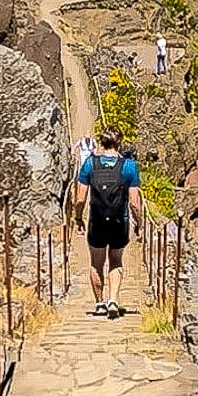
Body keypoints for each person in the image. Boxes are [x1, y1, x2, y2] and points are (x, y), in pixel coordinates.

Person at [75, 127, 142, 318]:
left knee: (96, 263)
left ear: (101, 142)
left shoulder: (89, 164)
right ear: (118, 142)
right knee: (116, 261)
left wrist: (78, 218)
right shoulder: (129, 166)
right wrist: (139, 224)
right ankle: (113, 299)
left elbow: (80, 199)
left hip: (96, 221)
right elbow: (135, 203)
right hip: (119, 222)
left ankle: (99, 303)